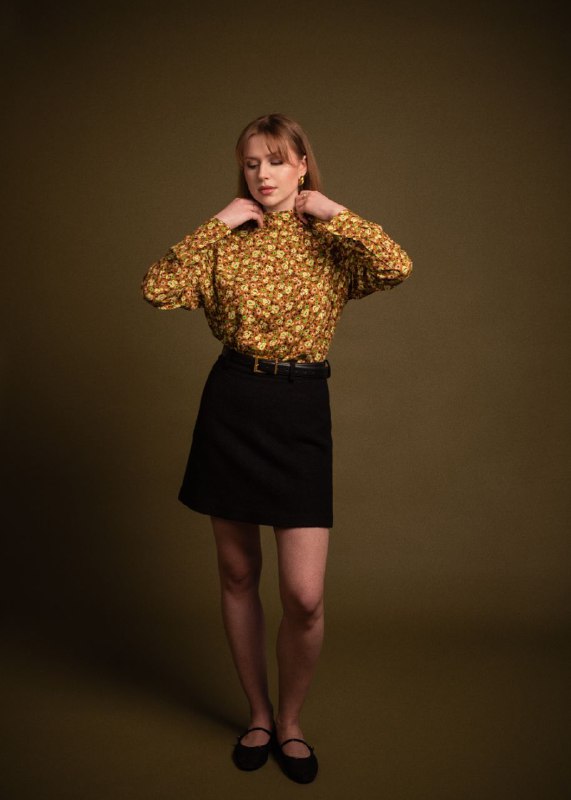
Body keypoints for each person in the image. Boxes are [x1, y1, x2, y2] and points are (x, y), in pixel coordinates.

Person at [141, 112, 412, 784]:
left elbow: (396, 265)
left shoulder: (330, 240)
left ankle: (291, 722)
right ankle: (259, 716)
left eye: (276, 160)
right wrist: (216, 223)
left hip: (299, 411)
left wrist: (332, 210)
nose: (262, 174)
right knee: (238, 575)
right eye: (251, 163)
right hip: (232, 405)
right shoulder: (227, 239)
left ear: (302, 165)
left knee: (304, 595)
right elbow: (158, 288)